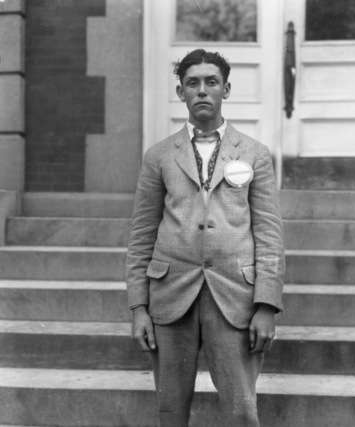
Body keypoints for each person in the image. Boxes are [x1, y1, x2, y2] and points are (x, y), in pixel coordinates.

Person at [126, 49, 285, 427]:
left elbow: (268, 233)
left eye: (211, 82)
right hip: (170, 296)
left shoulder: (254, 154)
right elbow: (141, 235)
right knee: (171, 411)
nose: (202, 91)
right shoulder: (160, 156)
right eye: (192, 83)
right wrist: (138, 307)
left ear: (226, 89)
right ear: (181, 92)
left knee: (240, 411)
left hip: (235, 299)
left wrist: (267, 304)